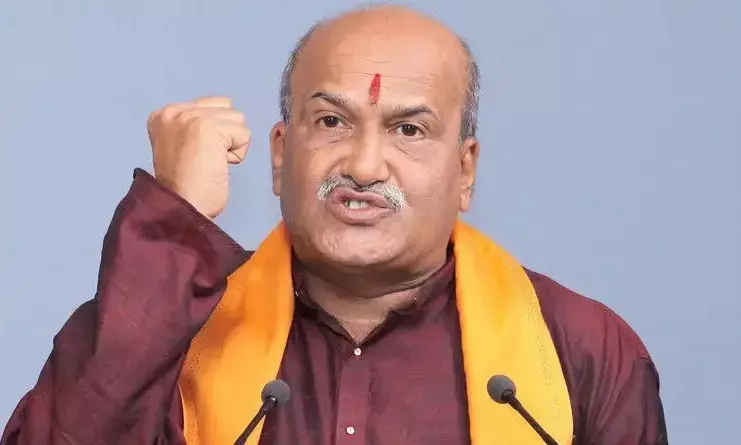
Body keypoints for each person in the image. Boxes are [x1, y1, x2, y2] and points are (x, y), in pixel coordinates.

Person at [1, 5, 668, 445]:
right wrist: (173, 220)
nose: (364, 165)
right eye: (331, 122)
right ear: (280, 155)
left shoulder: (579, 349)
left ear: (464, 171)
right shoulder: (170, 327)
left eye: (408, 130)